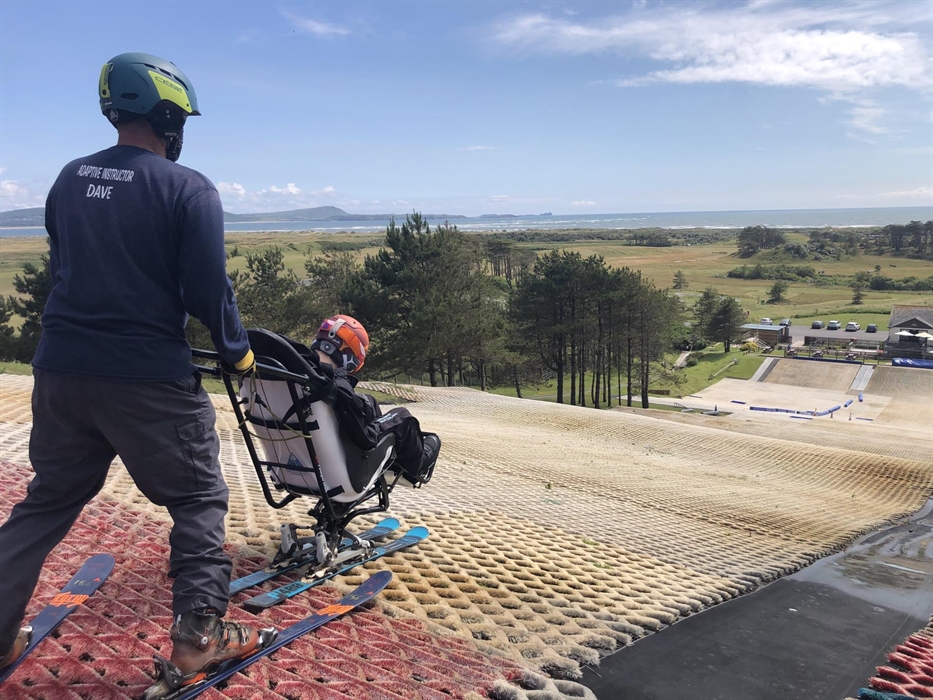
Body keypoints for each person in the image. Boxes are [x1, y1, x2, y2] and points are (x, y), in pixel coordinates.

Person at [0, 53, 274, 697]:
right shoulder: (188, 189)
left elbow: (66, 266)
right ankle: (195, 646)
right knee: (199, 500)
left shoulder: (69, 178)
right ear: (168, 114)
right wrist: (237, 352)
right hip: (148, 378)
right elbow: (209, 289)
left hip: (61, 370)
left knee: (46, 502)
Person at [309, 315, 441, 486]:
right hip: (342, 472)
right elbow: (365, 439)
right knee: (402, 416)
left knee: (368, 401)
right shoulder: (338, 388)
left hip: (296, 465)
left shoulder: (295, 375)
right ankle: (415, 468)